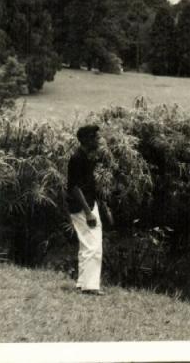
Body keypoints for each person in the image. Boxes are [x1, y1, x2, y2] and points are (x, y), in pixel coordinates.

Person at [66, 124, 112, 295]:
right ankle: (90, 287)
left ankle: (83, 283)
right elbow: (74, 187)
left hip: (89, 204)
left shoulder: (86, 157)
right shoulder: (77, 158)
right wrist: (87, 212)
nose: (98, 140)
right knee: (92, 245)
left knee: (87, 245)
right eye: (94, 137)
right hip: (82, 207)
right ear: (85, 140)